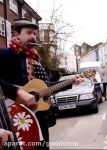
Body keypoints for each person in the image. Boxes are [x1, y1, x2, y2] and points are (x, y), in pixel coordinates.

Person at [0, 19, 82, 149]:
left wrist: (71, 82)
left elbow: (45, 88)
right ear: (16, 34)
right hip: (17, 121)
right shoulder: (5, 55)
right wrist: (17, 92)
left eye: (34, 33)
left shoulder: (36, 59)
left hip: (41, 119)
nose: (33, 37)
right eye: (29, 33)